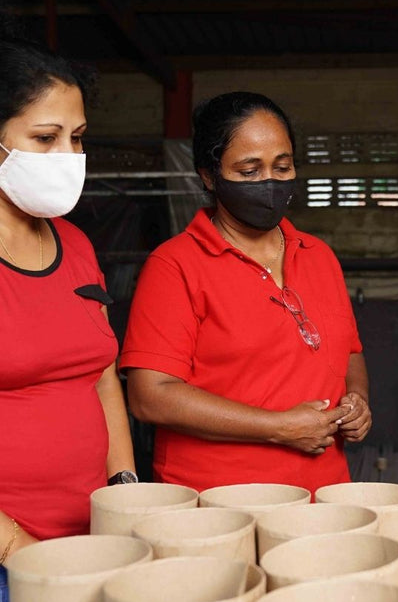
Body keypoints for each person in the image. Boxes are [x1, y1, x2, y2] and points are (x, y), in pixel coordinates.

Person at [120, 92, 371, 496]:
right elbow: (151, 396)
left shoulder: (319, 256)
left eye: (282, 166)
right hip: (221, 501)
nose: (269, 182)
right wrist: (278, 428)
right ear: (208, 175)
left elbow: (350, 353)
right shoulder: (176, 266)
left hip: (323, 495)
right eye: (249, 170)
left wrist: (357, 400)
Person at [0, 38, 137, 602]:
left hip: (91, 541)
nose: (68, 156)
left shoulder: (77, 244)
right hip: (12, 563)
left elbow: (102, 377)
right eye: (45, 138)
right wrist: (17, 551)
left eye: (78, 139)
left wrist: (124, 488)